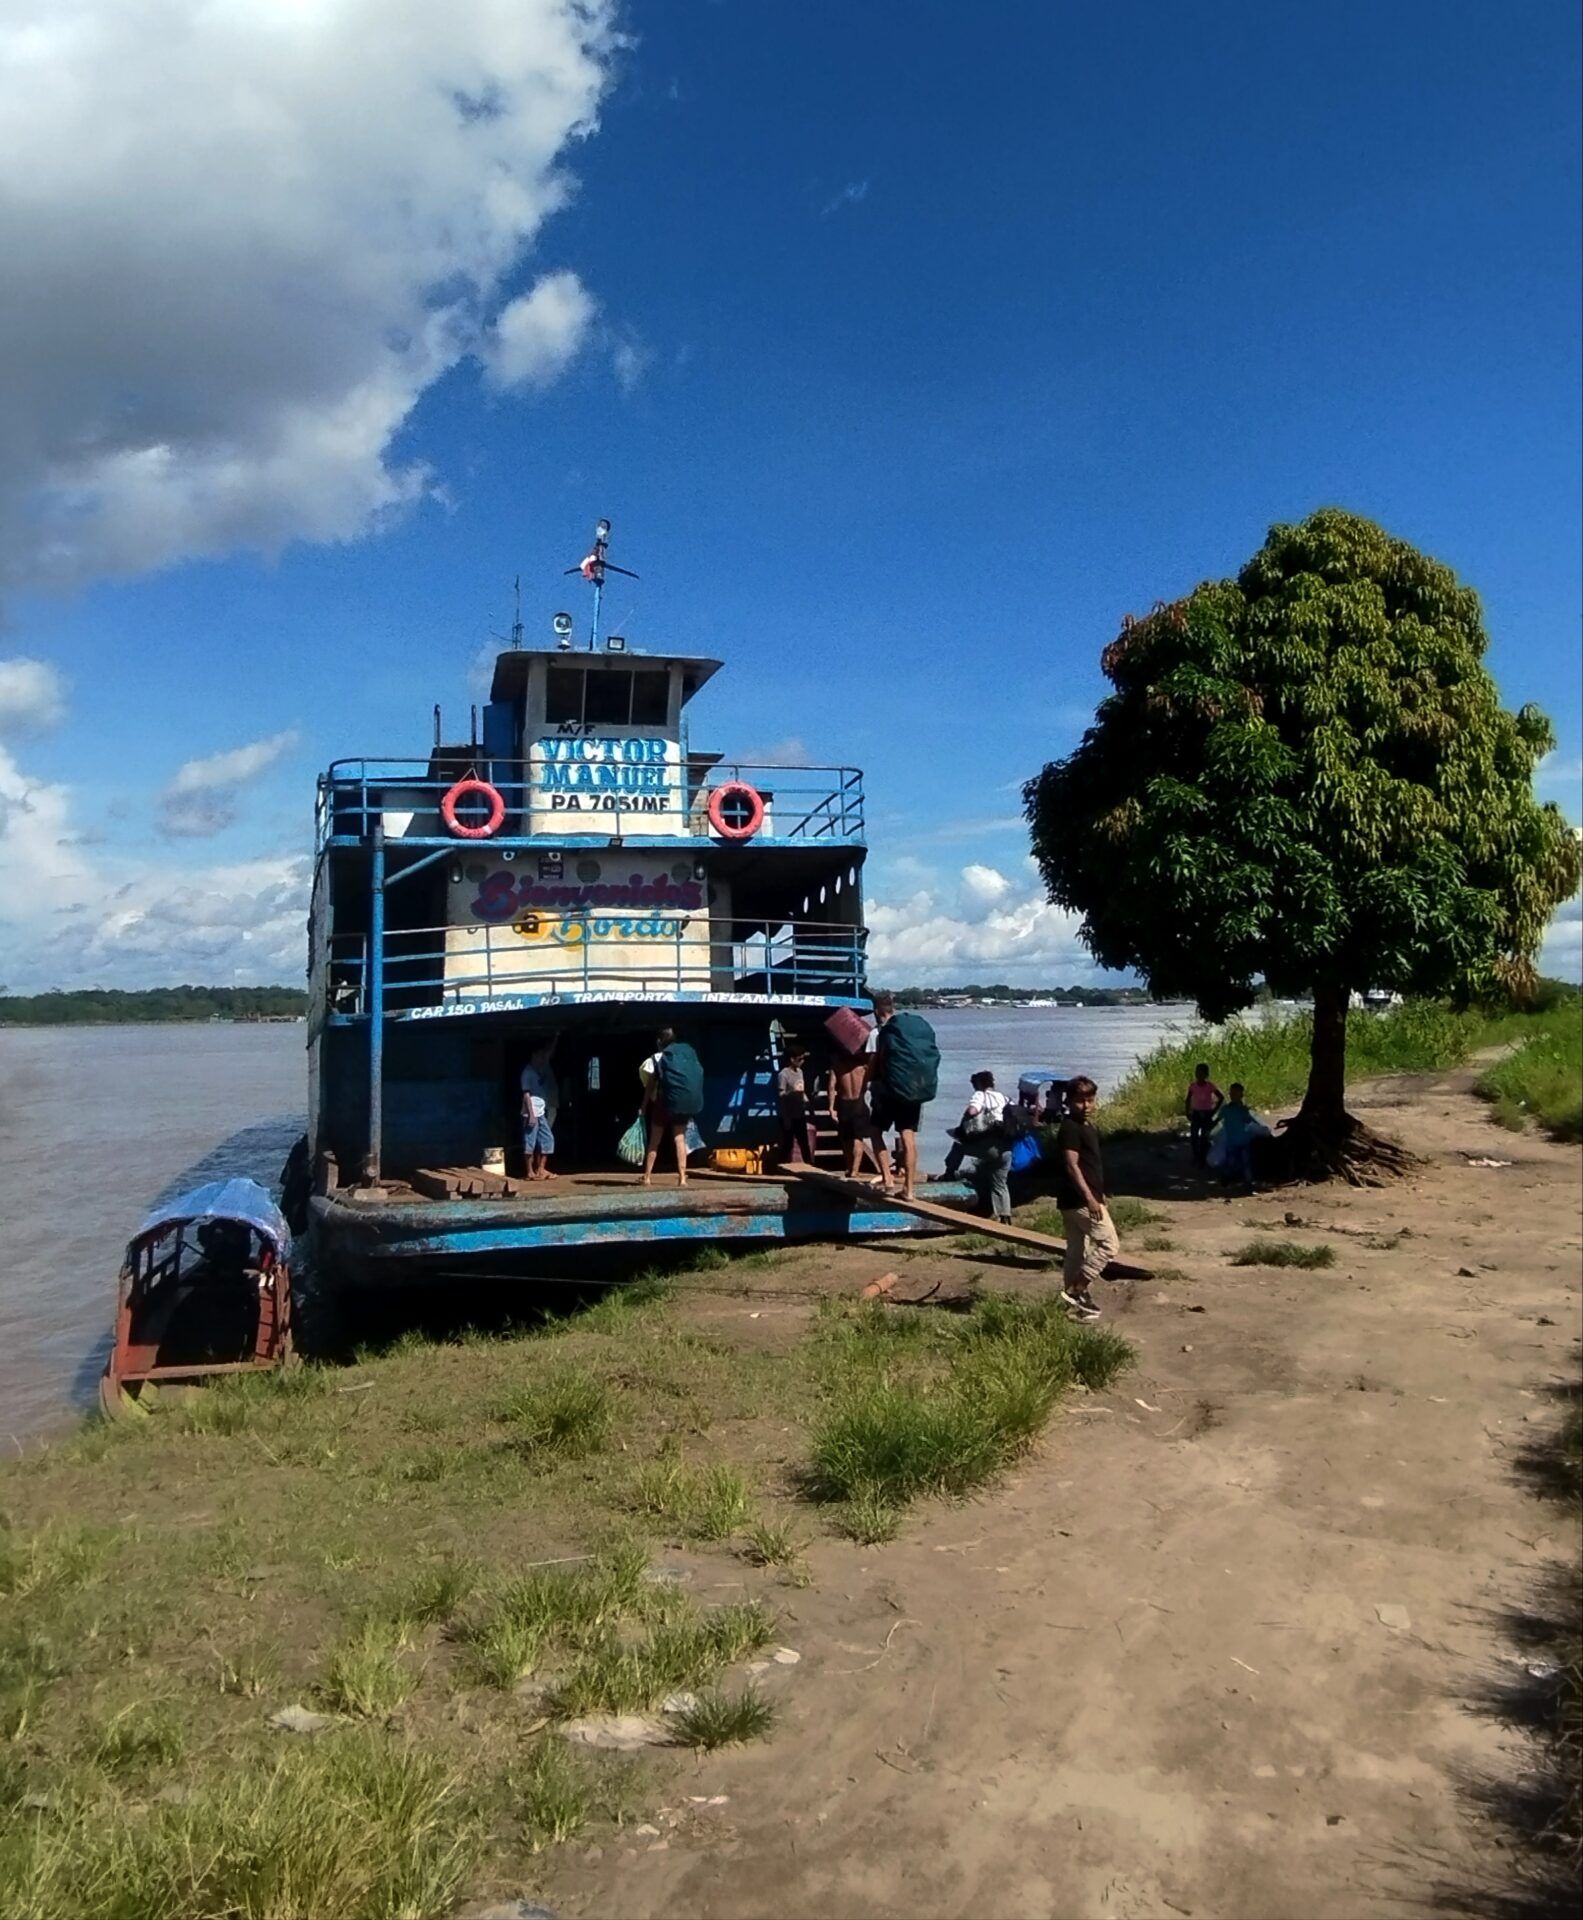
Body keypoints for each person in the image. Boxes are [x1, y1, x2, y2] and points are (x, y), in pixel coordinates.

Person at [867, 991, 940, 1201]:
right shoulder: (911, 1031)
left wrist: (863, 1087)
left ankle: (888, 1180)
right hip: (912, 1090)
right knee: (908, 1137)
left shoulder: (879, 1033)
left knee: (875, 1132)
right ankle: (908, 1190)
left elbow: (874, 1064)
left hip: (887, 1092)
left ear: (876, 1011)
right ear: (893, 1008)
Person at [1055, 1075, 1116, 1318]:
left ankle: (1074, 1308)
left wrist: (1099, 1195)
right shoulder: (1070, 1128)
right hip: (1079, 1200)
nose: (1087, 1106)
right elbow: (1072, 1166)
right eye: (1081, 1101)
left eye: (1090, 1100)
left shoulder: (1085, 1126)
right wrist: (1090, 1199)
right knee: (1109, 1245)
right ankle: (1077, 1290)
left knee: (1077, 1251)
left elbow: (1091, 1165)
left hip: (1075, 1199)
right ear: (1069, 1101)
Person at [640, 1027, 704, 1188]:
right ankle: (682, 1178)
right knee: (679, 1139)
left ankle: (647, 1177)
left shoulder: (657, 1058)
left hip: (663, 1104)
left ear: (659, 1042)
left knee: (655, 1141)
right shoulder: (685, 1056)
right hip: (680, 1103)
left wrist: (643, 1106)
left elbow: (650, 1086)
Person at [956, 1070, 1013, 1223]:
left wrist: (965, 1120)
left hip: (990, 1147)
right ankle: (1005, 1216)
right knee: (1000, 1183)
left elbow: (972, 1110)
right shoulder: (1004, 1097)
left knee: (958, 1145)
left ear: (979, 1084)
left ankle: (949, 1172)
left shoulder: (980, 1095)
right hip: (1006, 1148)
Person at [825, 1038, 881, 1180]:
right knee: (858, 1138)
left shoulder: (837, 1066)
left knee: (846, 1139)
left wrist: (831, 1107)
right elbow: (875, 1079)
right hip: (859, 1101)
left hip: (843, 1102)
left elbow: (831, 1088)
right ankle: (855, 1170)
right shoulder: (863, 1067)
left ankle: (850, 1167)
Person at [1212, 1081, 1265, 1192]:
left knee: (1246, 1163)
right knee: (1231, 1163)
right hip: (1232, 1142)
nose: (1233, 1096)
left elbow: (1253, 1121)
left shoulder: (1244, 1110)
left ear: (1241, 1095)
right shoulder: (1226, 1109)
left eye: (1235, 1093)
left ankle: (1248, 1184)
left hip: (1244, 1141)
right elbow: (1217, 1120)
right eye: (1232, 1093)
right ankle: (1226, 1180)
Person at [520, 1037, 560, 1181]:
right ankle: (530, 1171)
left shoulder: (540, 1069)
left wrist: (555, 1037)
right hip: (531, 1112)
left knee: (548, 1139)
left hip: (541, 1112)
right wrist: (531, 1114)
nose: (543, 1057)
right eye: (540, 1055)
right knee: (529, 1142)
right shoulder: (528, 1072)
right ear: (534, 1055)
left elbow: (549, 1053)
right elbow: (526, 1094)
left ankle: (541, 1170)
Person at [775, 1041, 818, 1166]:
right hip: (788, 1114)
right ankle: (782, 1166)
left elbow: (802, 1090)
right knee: (787, 1143)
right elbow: (781, 1095)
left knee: (804, 1142)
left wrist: (808, 1106)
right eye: (800, 1059)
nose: (802, 1061)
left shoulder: (800, 1072)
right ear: (792, 1059)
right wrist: (792, 1095)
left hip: (799, 1113)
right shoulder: (783, 1074)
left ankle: (809, 1164)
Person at [1183, 1061, 1224, 1167]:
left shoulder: (1210, 1086)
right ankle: (1196, 1156)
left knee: (1205, 1137)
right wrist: (1187, 1112)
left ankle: (1202, 1158)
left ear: (1206, 1075)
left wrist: (1214, 1111)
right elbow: (1188, 1099)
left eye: (1201, 1073)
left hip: (1206, 1113)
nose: (1199, 1075)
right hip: (1196, 1113)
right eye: (1197, 1073)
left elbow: (1221, 1097)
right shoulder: (1193, 1086)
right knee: (1194, 1136)